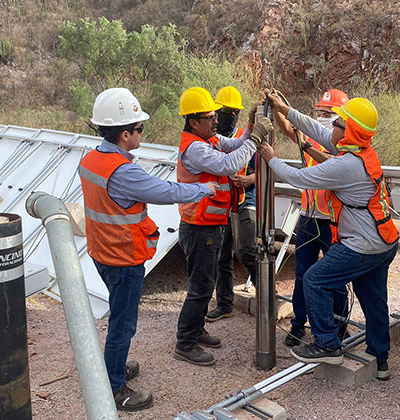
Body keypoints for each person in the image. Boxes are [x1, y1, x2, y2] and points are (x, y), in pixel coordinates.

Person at [79, 88, 218, 411]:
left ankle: (112, 367)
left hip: (101, 251)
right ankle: (113, 388)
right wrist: (203, 187)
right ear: (125, 134)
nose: (143, 132)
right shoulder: (124, 171)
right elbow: (165, 191)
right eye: (139, 128)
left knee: (119, 317)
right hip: (123, 256)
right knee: (123, 324)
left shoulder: (92, 159)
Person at [259, 95, 399, 380]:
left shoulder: (346, 165)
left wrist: (271, 159)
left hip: (363, 244)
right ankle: (379, 359)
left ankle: (327, 344)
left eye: (336, 122)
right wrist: (286, 110)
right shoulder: (360, 150)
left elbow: (299, 178)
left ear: (349, 131)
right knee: (374, 301)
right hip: (383, 241)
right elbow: (316, 129)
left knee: (314, 279)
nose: (330, 127)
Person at [174, 86, 272, 366]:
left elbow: (233, 146)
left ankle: (195, 330)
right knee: (201, 287)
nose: (216, 120)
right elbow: (230, 164)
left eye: (217, 115)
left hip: (208, 223)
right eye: (210, 117)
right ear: (194, 122)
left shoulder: (208, 139)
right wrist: (254, 137)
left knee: (204, 281)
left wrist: (251, 127)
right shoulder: (194, 149)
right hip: (199, 225)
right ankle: (185, 343)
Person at [269, 89, 351, 347]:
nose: (323, 118)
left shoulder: (345, 148)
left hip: (333, 221)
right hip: (307, 218)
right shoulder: (314, 138)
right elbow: (290, 130)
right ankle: (298, 325)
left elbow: (326, 161)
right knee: (303, 275)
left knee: (336, 279)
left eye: (329, 114)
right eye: (320, 113)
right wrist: (277, 109)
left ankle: (339, 327)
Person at [206, 86, 258, 322]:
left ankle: (266, 295)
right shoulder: (212, 140)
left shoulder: (244, 139)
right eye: (226, 110)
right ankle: (225, 303)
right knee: (221, 256)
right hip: (222, 203)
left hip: (245, 200)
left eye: (235, 111)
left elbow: (268, 170)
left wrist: (249, 179)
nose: (231, 115)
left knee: (246, 250)